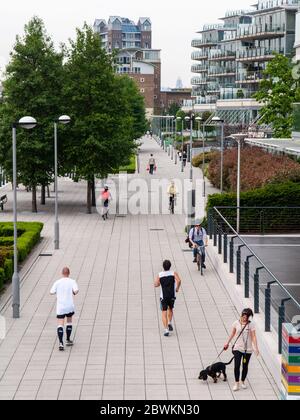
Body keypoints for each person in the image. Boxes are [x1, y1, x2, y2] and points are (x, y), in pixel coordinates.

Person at [224, 308, 259, 392]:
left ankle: (242, 381)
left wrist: (256, 348)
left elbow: (253, 336)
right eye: (243, 316)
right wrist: (227, 343)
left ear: (249, 317)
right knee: (236, 366)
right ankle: (236, 383)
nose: (244, 318)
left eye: (246, 316)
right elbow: (232, 333)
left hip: (247, 350)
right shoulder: (236, 323)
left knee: (245, 366)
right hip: (237, 348)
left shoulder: (251, 325)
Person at [50, 267, 79, 351]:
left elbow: (51, 292)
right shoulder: (72, 281)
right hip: (69, 305)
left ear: (62, 273)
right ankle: (68, 339)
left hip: (60, 306)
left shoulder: (57, 282)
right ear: (69, 273)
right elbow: (76, 290)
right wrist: (73, 292)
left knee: (60, 323)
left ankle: (60, 343)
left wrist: (57, 292)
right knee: (69, 321)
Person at [154, 260, 182, 337]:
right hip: (172, 296)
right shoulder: (173, 273)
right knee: (171, 308)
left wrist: (159, 283)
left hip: (163, 297)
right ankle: (169, 322)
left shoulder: (160, 275)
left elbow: (156, 284)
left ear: (163, 266)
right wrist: (177, 288)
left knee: (164, 312)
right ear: (170, 266)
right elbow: (179, 280)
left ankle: (166, 330)